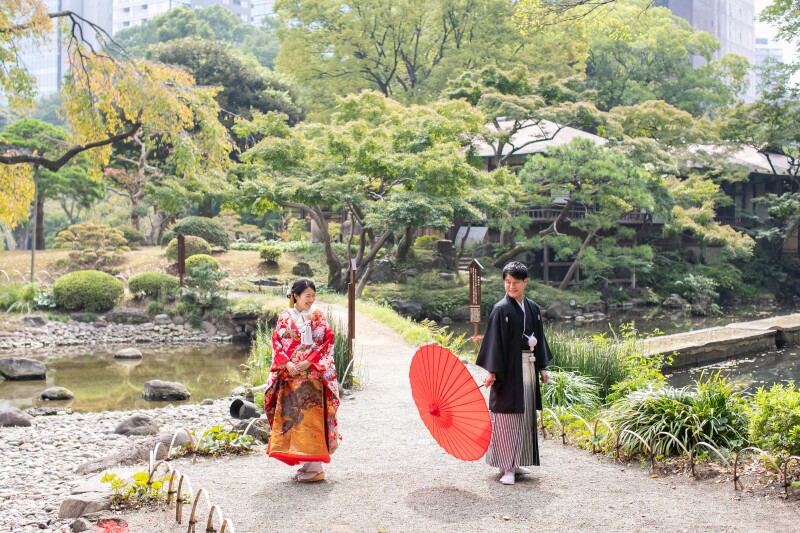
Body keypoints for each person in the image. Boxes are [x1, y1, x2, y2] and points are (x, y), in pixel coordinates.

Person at [476, 261, 552, 485]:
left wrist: (543, 369)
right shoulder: (501, 309)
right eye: (507, 282)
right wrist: (492, 371)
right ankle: (505, 467)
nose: (511, 287)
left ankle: (517, 461)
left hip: (528, 367)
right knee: (507, 419)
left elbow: (540, 341)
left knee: (525, 416)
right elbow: (494, 344)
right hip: (508, 372)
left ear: (525, 282)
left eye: (515, 283)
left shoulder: (533, 309)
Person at [260, 278, 341, 482]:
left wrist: (309, 361)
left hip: (312, 376)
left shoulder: (318, 316)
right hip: (290, 375)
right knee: (295, 420)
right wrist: (287, 363)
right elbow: (277, 342)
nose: (311, 300)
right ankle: (307, 463)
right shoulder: (285, 316)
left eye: (313, 296)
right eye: (307, 296)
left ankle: (316, 467)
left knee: (311, 418)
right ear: (295, 296)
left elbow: (326, 341)